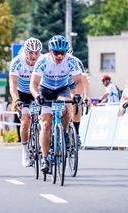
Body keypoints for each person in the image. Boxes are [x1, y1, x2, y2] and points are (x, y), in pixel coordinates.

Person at [30, 35, 82, 172]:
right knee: (46, 123)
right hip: (45, 90)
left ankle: (64, 133)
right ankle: (45, 159)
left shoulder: (71, 61)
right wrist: (37, 96)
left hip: (62, 89)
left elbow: (78, 81)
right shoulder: (43, 61)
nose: (59, 56)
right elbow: (34, 84)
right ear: (50, 51)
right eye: (56, 53)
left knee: (66, 105)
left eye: (62, 53)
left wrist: (77, 95)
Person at [9, 37, 42, 167]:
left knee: (45, 117)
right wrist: (16, 100)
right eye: (31, 53)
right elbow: (13, 84)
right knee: (25, 119)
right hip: (22, 93)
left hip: (37, 92)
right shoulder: (17, 62)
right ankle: (25, 151)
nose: (33, 56)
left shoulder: (42, 60)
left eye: (36, 53)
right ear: (25, 52)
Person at [67, 45, 90, 140]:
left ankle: (76, 132)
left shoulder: (76, 62)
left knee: (77, 104)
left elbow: (83, 78)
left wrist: (86, 96)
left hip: (73, 85)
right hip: (59, 86)